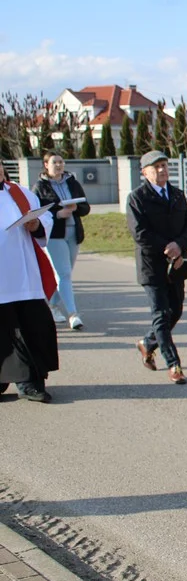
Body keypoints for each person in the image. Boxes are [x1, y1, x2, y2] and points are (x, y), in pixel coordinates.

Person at [127, 150, 187, 385]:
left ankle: (147, 343)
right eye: (156, 167)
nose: (162, 170)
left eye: (165, 165)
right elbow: (139, 233)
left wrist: (180, 245)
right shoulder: (137, 197)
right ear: (145, 172)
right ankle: (173, 363)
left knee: (175, 312)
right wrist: (166, 247)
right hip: (152, 266)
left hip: (176, 265)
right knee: (161, 315)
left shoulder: (177, 195)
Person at [1, 165, 58, 403]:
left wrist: (36, 225)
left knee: (31, 327)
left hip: (25, 275)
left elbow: (45, 216)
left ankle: (31, 383)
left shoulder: (20, 193)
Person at [32, 152, 91, 330]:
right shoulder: (40, 187)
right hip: (54, 235)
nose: (58, 165)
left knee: (64, 275)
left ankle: (51, 305)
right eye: (54, 162)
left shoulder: (72, 182)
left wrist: (75, 208)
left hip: (74, 234)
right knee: (64, 274)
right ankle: (73, 314)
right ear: (46, 165)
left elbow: (85, 207)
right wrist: (57, 214)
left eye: (61, 162)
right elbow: (38, 212)